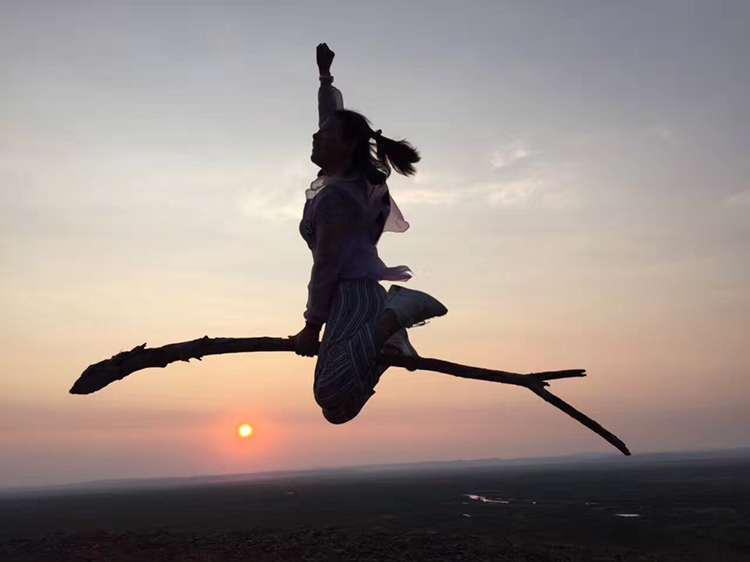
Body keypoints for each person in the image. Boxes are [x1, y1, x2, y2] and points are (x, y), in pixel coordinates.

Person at [291, 43, 448, 424]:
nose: (315, 136)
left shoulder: (337, 198)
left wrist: (312, 326)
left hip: (353, 297)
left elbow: (326, 266)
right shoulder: (352, 181)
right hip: (357, 296)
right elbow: (333, 120)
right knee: (337, 411)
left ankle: (395, 317)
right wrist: (325, 77)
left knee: (329, 393)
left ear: (345, 146)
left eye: (325, 134)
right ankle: (388, 339)